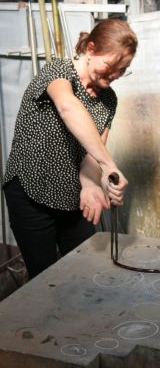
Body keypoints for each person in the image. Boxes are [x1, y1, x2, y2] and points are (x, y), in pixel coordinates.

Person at [2, 18, 138, 279]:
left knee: (85, 272)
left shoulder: (108, 99)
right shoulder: (58, 72)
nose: (114, 76)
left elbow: (92, 152)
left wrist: (92, 183)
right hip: (31, 191)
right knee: (46, 280)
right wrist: (110, 165)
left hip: (71, 196)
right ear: (90, 49)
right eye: (110, 66)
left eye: (123, 70)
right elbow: (69, 108)